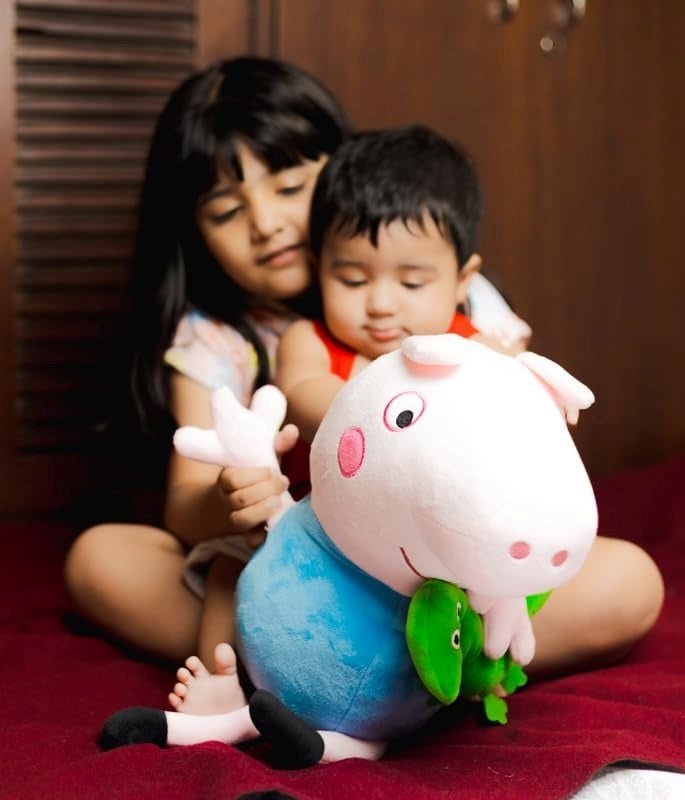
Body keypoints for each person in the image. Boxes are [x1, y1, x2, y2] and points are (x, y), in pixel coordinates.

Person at [63, 58, 537, 705]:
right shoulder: (215, 338)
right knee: (101, 558)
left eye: (289, 185)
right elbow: (184, 508)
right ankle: (352, 670)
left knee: (628, 581)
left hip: (439, 572)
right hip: (290, 573)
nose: (265, 222)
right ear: (193, 233)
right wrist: (231, 499)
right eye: (227, 210)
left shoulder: (446, 292)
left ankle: (389, 669)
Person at [167, 124, 664, 715]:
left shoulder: (474, 344)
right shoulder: (311, 340)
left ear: (463, 281)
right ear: (320, 264)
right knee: (231, 567)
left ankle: (458, 668)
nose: (380, 304)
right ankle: (232, 688)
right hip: (316, 555)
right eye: (351, 279)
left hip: (440, 561)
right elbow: (305, 392)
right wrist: (385, 410)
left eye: (410, 282)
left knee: (616, 580)